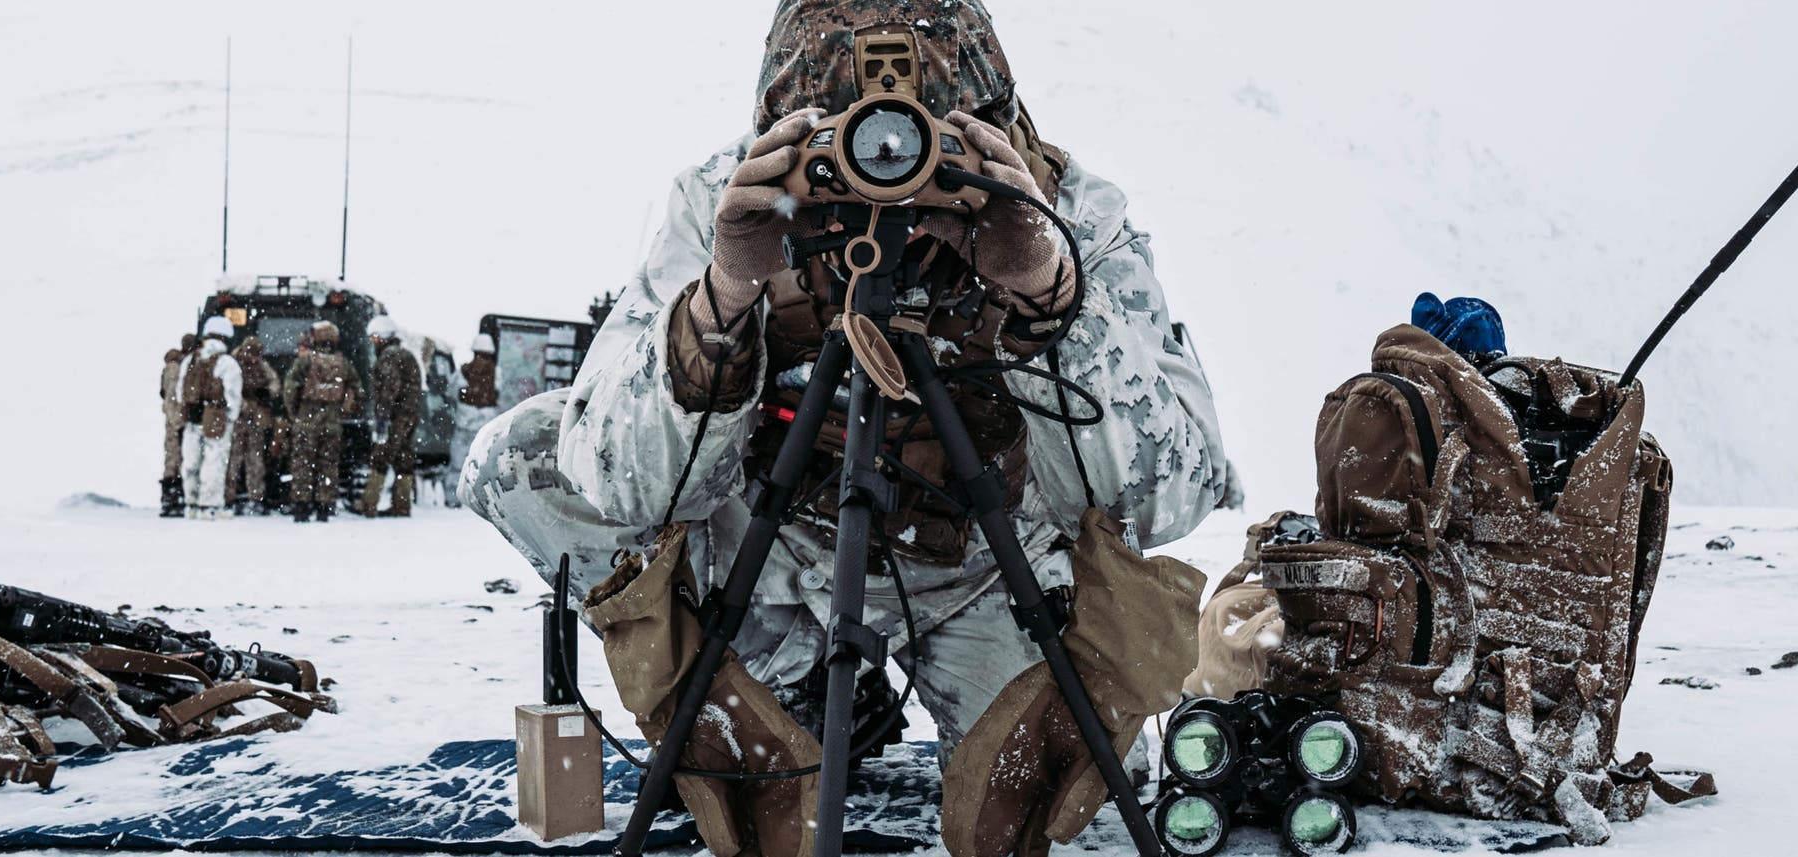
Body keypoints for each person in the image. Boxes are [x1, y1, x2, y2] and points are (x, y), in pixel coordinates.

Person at [464, 4, 1237, 855]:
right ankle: (762, 687)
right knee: (521, 459)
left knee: (1019, 797)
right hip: (778, 557)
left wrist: (1050, 297)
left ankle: (970, 698)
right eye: (849, 144)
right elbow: (617, 479)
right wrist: (722, 299)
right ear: (787, 130)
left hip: (987, 567)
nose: (887, 168)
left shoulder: (1066, 207)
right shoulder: (734, 194)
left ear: (994, 125)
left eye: (922, 139)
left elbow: (1176, 492)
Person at [284, 321, 361, 523]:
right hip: (333, 422)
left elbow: (290, 389)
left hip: (306, 420)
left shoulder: (305, 361)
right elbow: (356, 389)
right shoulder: (343, 363)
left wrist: (295, 413)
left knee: (303, 464)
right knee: (329, 465)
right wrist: (343, 410)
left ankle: (301, 507)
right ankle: (325, 507)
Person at [176, 317, 243, 520]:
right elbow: (233, 395)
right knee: (214, 462)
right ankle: (210, 506)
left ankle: (191, 504)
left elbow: (180, 392)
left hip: (192, 416)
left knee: (191, 461)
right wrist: (229, 417)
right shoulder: (228, 363)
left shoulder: (191, 360)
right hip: (216, 417)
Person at [360, 316, 422, 517]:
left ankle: (369, 503)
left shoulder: (389, 356)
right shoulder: (407, 355)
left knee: (381, 457)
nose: (372, 341)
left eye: (374, 337)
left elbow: (389, 388)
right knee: (404, 459)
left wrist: (382, 416)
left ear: (382, 336)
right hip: (409, 416)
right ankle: (402, 505)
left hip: (394, 417)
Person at [226, 337, 282, 515]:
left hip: (256, 419)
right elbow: (229, 390)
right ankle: (229, 498)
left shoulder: (261, 366)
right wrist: (244, 404)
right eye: (253, 355)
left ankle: (255, 498)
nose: (255, 359)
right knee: (233, 460)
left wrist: (267, 393)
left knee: (255, 461)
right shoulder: (232, 365)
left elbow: (274, 383)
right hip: (237, 418)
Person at [446, 333, 500, 509]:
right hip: (486, 424)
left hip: (464, 422)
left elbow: (450, 392)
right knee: (484, 463)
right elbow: (500, 397)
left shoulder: (463, 371)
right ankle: (483, 500)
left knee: (457, 463)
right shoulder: (497, 372)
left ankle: (453, 498)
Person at [158, 333, 198, 518]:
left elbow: (164, 393)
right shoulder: (179, 368)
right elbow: (176, 397)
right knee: (178, 459)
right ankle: (175, 497)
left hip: (172, 420)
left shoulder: (171, 367)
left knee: (172, 459)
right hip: (178, 420)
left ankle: (171, 498)